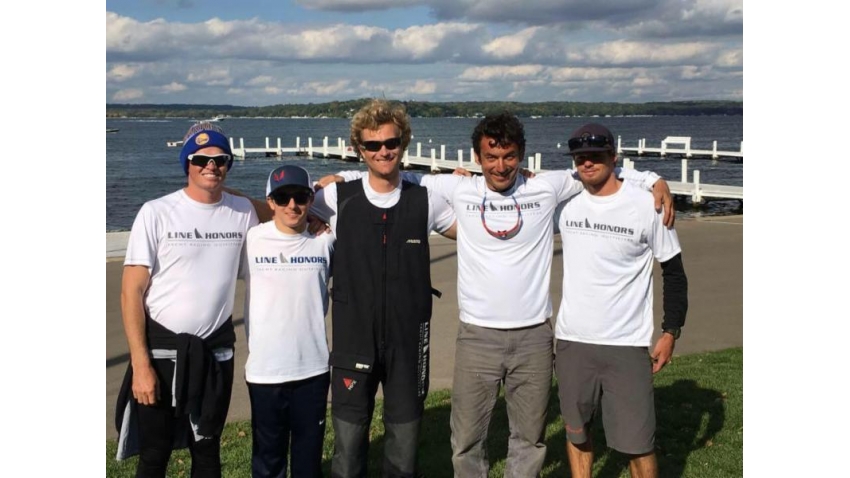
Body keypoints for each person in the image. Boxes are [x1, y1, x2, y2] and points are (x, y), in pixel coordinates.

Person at [323, 112, 672, 477]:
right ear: (476, 158)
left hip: (534, 336)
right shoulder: (459, 189)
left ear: (521, 154)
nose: (500, 166)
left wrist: (652, 178)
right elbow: (394, 177)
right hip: (477, 337)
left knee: (529, 440)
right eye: (491, 157)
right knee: (466, 442)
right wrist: (342, 178)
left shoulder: (546, 187)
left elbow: (593, 168)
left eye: (509, 156)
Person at [308, 99, 456, 477]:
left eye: (390, 143)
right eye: (372, 146)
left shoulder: (425, 200)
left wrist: (515, 186)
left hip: (408, 341)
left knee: (404, 453)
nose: (383, 152)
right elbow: (281, 208)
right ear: (359, 149)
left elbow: (478, 231)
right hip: (353, 339)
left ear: (403, 143)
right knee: (348, 451)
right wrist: (319, 185)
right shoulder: (335, 198)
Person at [115, 122, 259, 477]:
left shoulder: (243, 213)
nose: (211, 166)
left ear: (228, 164)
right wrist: (141, 365)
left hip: (216, 353)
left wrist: (315, 214)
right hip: (161, 354)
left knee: (207, 450)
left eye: (220, 160)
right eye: (200, 159)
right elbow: (130, 291)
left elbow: (284, 210)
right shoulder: (156, 212)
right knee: (155, 453)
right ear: (187, 163)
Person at [553, 123, 688, 478]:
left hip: (626, 344)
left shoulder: (648, 205)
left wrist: (671, 330)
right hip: (572, 341)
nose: (587, 163)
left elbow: (673, 272)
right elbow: (519, 187)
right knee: (577, 433)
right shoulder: (565, 202)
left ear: (613, 157)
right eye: (581, 158)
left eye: (596, 156)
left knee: (637, 442)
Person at [241, 165, 334, 478]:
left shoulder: (325, 240)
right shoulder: (251, 240)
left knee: (308, 460)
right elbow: (219, 202)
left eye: (300, 196)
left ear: (310, 199)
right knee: (268, 461)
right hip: (266, 372)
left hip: (313, 369)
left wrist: (329, 182)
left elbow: (357, 182)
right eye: (282, 197)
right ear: (270, 202)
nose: (292, 205)